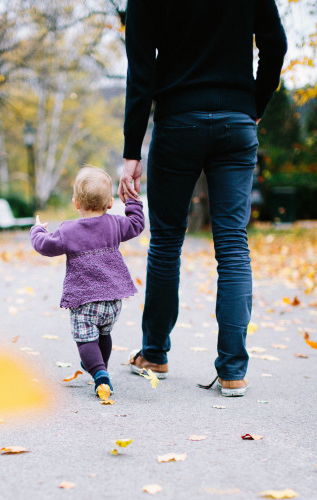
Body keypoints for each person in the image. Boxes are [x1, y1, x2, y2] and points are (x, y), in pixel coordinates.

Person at [119, 0, 287, 398]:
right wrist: (254, 105)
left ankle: (155, 353)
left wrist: (131, 152)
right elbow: (275, 45)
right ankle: (233, 371)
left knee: (165, 243)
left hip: (178, 121)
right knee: (232, 243)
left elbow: (141, 70)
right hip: (236, 120)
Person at [30, 166, 144, 400]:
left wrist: (37, 230)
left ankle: (99, 372)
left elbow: (44, 246)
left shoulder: (68, 230)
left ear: (76, 203)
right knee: (104, 333)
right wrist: (132, 200)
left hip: (84, 300)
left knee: (85, 338)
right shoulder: (115, 224)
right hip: (112, 299)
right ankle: (100, 366)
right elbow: (136, 224)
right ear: (110, 203)